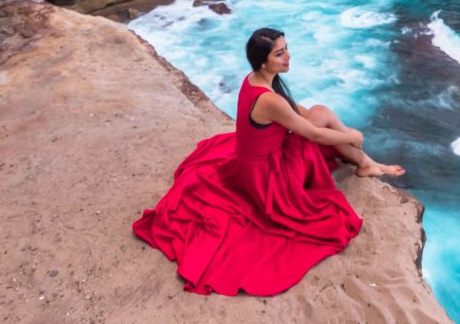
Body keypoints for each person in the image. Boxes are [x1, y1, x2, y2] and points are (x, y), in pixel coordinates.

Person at [132, 27, 405, 296]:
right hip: (270, 179)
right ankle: (367, 163)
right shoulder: (268, 101)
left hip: (252, 163)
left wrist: (324, 121)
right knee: (322, 117)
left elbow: (295, 110)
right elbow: (311, 132)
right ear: (264, 61)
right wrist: (350, 134)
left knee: (319, 112)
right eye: (280, 54)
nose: (288, 57)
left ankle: (367, 163)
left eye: (286, 50)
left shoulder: (255, 79)